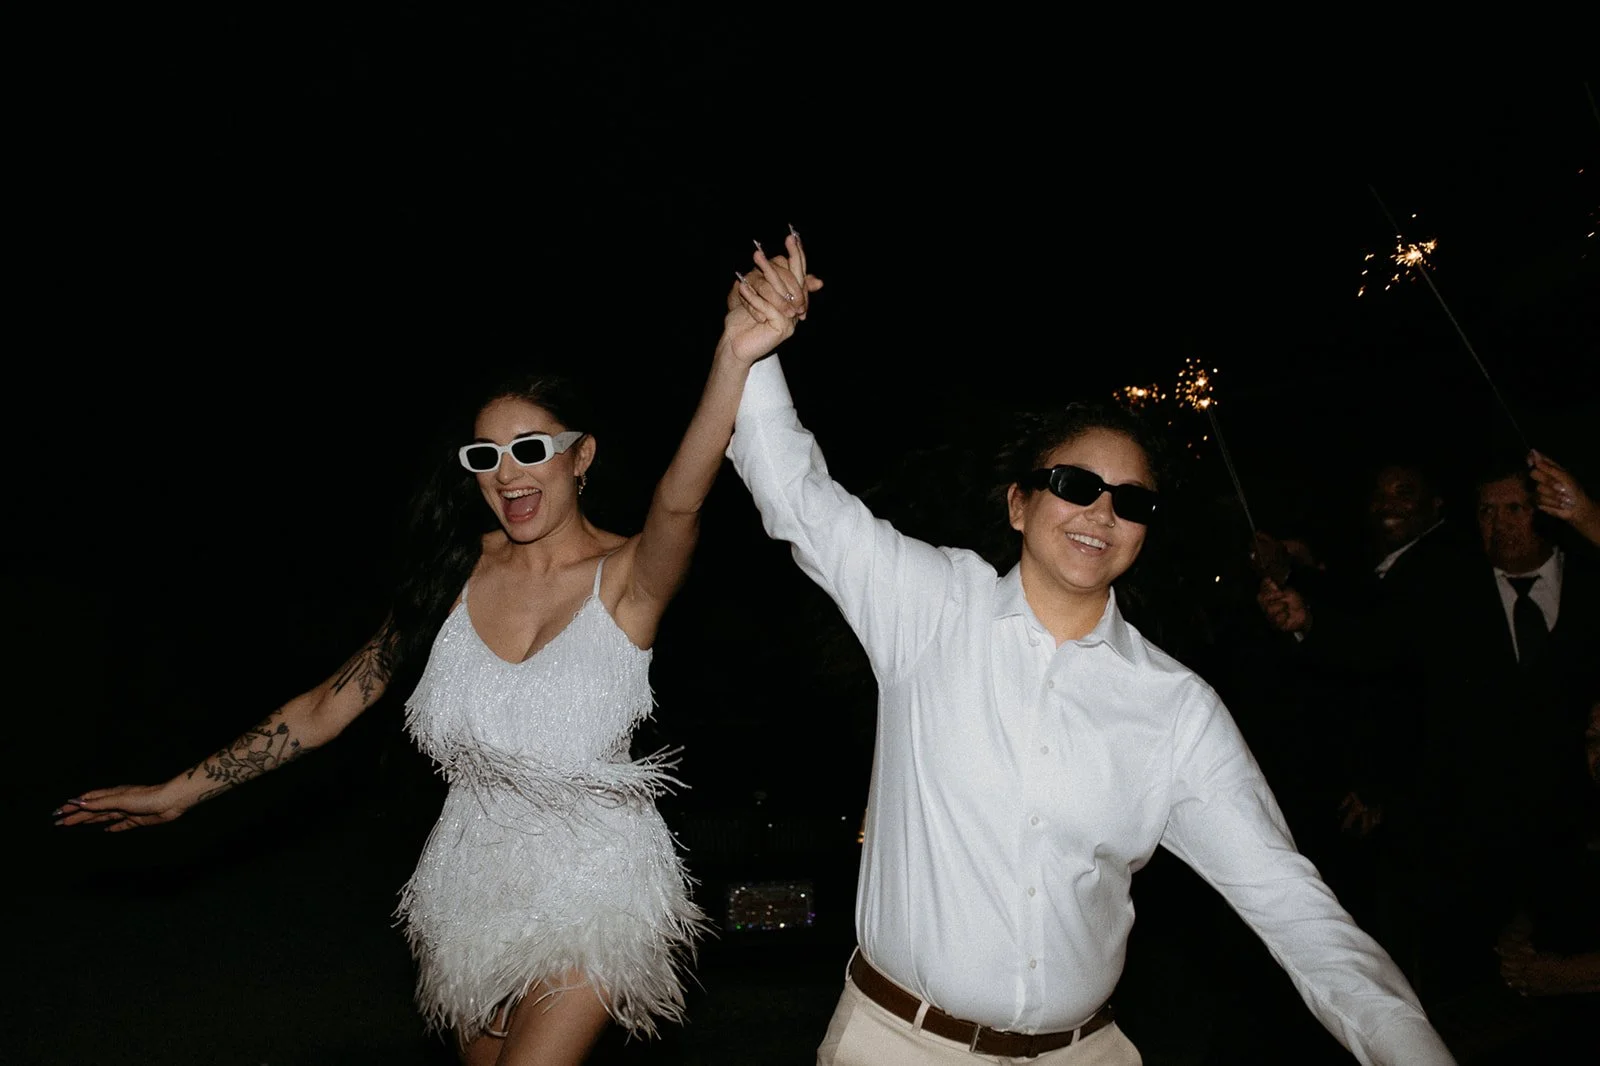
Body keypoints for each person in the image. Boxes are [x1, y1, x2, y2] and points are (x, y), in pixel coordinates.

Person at [52, 227, 820, 1066]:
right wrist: (178, 793)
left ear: (580, 458)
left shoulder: (628, 577)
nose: (507, 472)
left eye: (531, 450)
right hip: (470, 877)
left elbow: (681, 499)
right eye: (486, 456)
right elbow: (323, 707)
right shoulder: (450, 578)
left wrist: (733, 358)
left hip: (595, 878)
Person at [719, 276, 1454, 1063]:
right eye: (1076, 486)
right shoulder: (930, 606)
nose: (1103, 513)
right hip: (897, 1042)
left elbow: (1295, 909)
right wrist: (756, 350)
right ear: (1019, 505)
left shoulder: (1174, 707)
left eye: (1131, 502)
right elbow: (797, 494)